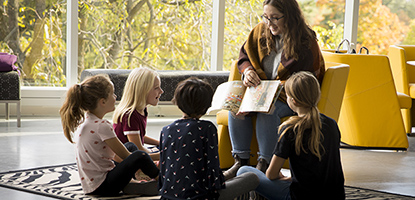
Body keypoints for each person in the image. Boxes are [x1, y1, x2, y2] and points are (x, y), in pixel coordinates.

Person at [224, 0, 326, 180]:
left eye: (274, 18)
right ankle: (241, 161)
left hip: (291, 96)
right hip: (261, 91)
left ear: (290, 16)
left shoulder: (305, 41)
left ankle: (266, 163)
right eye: (266, 17)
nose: (269, 23)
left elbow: (309, 79)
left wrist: (283, 85)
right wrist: (247, 71)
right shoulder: (259, 31)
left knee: (267, 111)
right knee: (236, 108)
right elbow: (244, 56)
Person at [237, 71, 345, 200]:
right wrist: (291, 178)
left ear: (293, 101)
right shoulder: (332, 124)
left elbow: (271, 175)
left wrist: (282, 178)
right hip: (335, 196)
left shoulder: (291, 130)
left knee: (243, 171)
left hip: (300, 196)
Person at [158, 77, 260, 200]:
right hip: (201, 196)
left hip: (168, 196)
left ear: (178, 102)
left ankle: (232, 171)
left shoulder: (166, 130)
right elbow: (213, 174)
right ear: (206, 107)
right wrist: (226, 177)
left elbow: (163, 172)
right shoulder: (207, 128)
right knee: (252, 178)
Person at [59, 74, 159, 196]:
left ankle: (131, 183)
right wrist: (160, 155)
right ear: (103, 101)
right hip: (103, 186)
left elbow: (117, 156)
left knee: (131, 146)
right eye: (112, 94)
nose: (115, 97)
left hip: (92, 184)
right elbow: (126, 156)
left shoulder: (87, 121)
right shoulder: (102, 126)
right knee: (140, 156)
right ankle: (162, 181)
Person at [112, 67, 164, 161]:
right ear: (143, 91)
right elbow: (138, 148)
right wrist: (160, 155)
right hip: (124, 160)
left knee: (164, 150)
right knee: (167, 156)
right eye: (156, 88)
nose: (161, 91)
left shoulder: (142, 109)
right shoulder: (130, 115)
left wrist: (159, 143)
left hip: (136, 152)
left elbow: (139, 136)